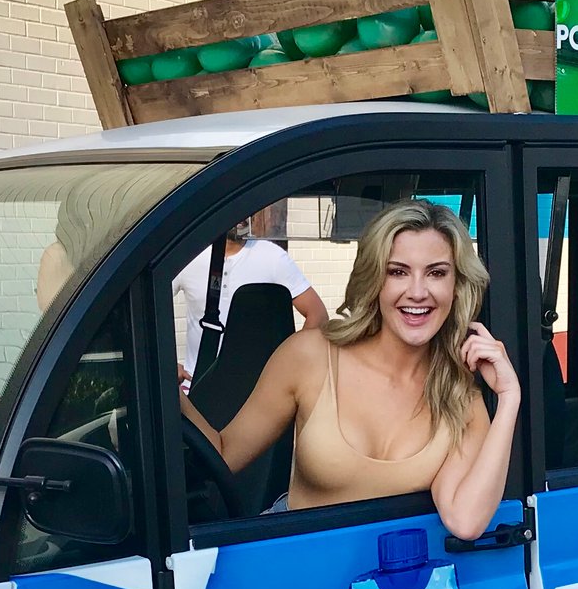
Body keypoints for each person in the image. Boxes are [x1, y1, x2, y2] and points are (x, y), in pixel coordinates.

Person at [182, 200, 518, 541]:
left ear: (456, 286)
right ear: (374, 279)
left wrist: (509, 398)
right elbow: (224, 454)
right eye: (397, 271)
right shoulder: (310, 355)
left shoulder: (459, 393)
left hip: (387, 584)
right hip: (295, 568)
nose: (418, 292)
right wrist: (160, 381)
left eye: (436, 273)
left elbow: (465, 521)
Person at [174, 220, 328, 384]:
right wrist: (168, 364)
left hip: (258, 391)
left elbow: (318, 314)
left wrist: (290, 364)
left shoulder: (272, 257)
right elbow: (146, 311)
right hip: (198, 383)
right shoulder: (188, 256)